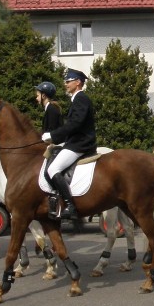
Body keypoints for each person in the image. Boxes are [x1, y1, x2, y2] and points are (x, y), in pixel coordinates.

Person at [41, 68, 96, 219]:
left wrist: (53, 135)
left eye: (68, 81)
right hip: (75, 142)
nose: (65, 84)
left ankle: (70, 205)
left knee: (53, 169)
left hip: (80, 144)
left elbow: (75, 124)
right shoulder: (76, 99)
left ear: (78, 83)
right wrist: (57, 140)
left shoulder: (81, 99)